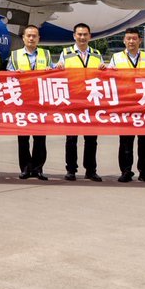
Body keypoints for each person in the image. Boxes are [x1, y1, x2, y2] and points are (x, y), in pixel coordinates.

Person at [108, 27, 145, 184]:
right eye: (128, 38)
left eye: (134, 38)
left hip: (144, 105)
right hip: (125, 105)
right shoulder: (116, 58)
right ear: (124, 40)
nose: (131, 41)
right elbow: (107, 77)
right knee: (126, 141)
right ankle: (126, 171)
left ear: (140, 40)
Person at [57, 23, 103, 181]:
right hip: (72, 101)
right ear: (74, 36)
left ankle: (91, 170)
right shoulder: (65, 53)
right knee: (71, 138)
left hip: (91, 101)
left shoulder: (97, 54)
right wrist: (58, 67)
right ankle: (71, 170)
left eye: (85, 34)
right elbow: (58, 74)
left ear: (90, 36)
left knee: (91, 139)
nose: (82, 37)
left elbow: (103, 75)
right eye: (79, 34)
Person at [9, 24, 50, 180]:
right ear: (23, 38)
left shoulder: (46, 54)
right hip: (22, 101)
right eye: (29, 36)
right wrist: (14, 73)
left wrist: (52, 70)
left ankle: (38, 169)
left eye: (34, 36)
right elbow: (7, 74)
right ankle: (25, 168)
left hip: (40, 102)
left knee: (40, 138)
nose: (31, 38)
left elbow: (54, 72)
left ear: (39, 38)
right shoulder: (14, 55)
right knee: (23, 138)